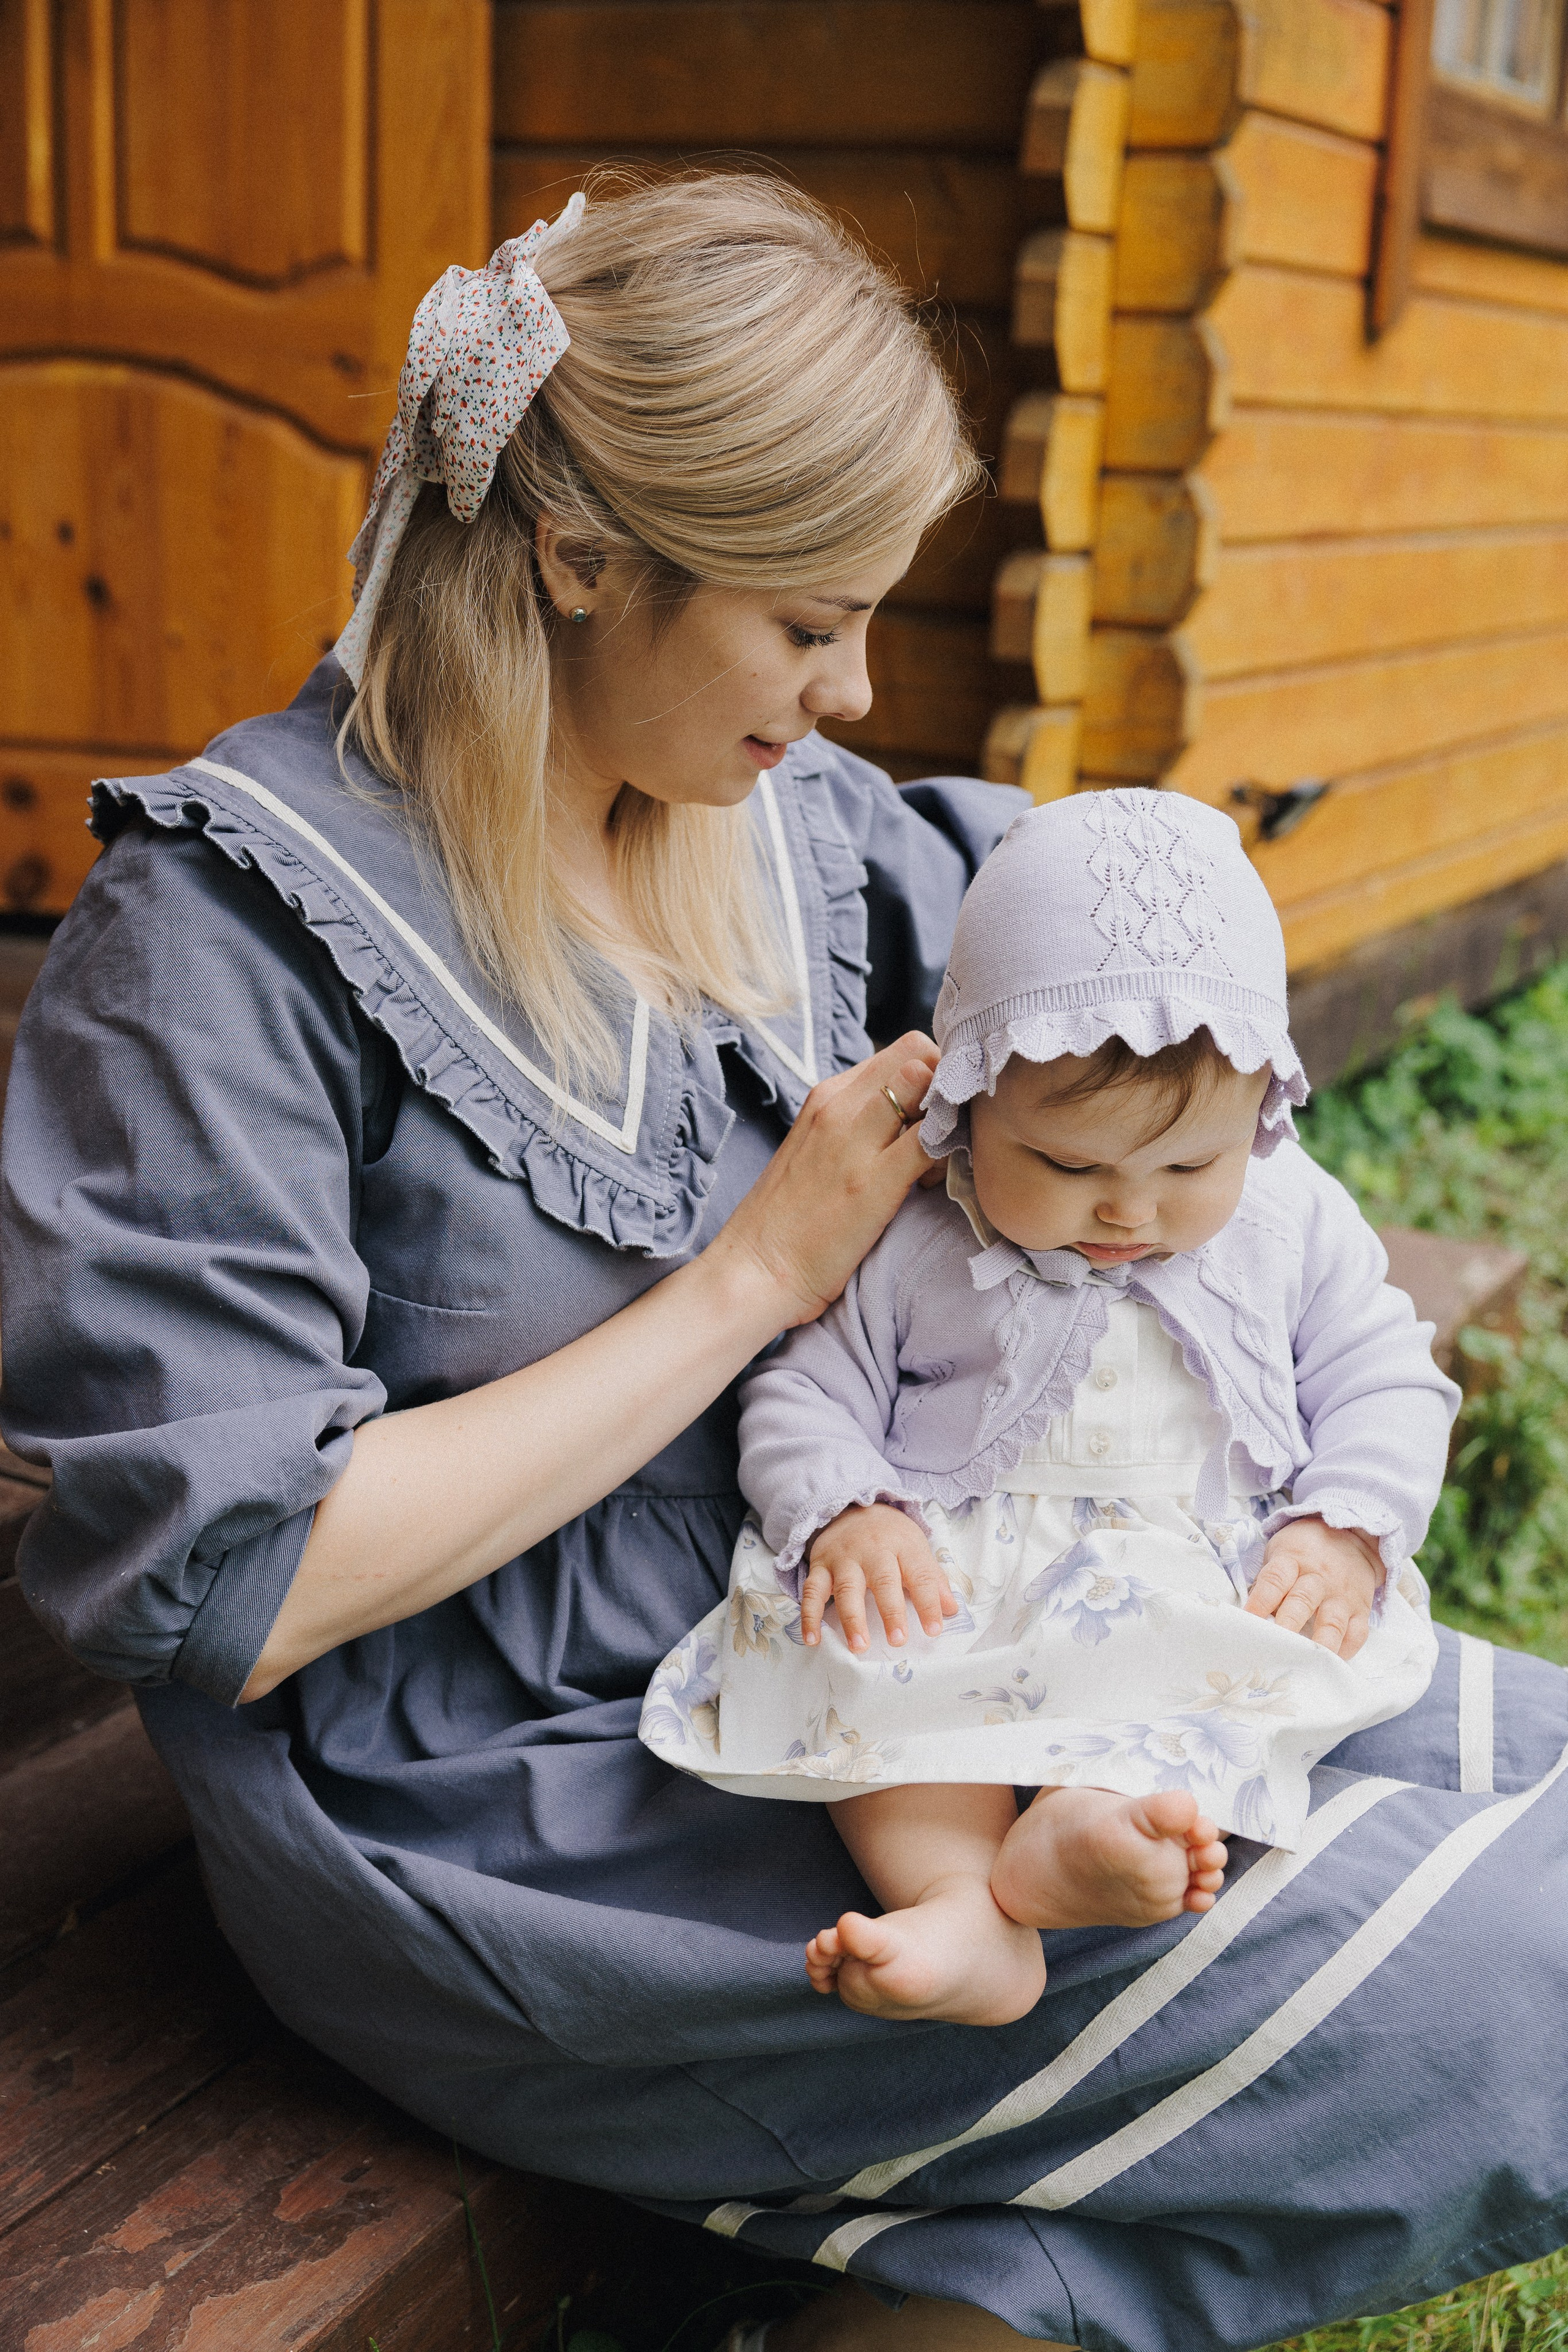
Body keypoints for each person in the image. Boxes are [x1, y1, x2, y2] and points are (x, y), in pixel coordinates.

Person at [4, 172, 1566, 2352]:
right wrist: (744, 1286)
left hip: (908, 1632)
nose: (848, 694)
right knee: (1530, 1985)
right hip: (515, 1799)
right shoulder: (218, 946)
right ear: (572, 557)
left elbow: (1108, 936)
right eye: (807, 621)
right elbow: (225, 1592)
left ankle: (948, 2289)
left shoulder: (781, 829)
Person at [641, 791, 1453, 2028]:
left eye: (1190, 1167)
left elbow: (1385, 1378)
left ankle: (1087, 1826)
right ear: (971, 1106)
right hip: (954, 1574)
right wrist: (849, 1511)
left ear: (1263, 1117)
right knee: (863, 1671)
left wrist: (1342, 1523)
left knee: (1221, 1681)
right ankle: (957, 1899)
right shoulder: (912, 1233)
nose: (1129, 1211)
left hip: (1185, 1570)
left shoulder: (1294, 1222)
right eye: (1067, 1167)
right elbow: (803, 1387)